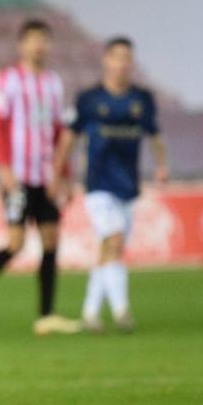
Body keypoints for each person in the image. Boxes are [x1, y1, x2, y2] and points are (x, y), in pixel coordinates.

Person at [52, 36, 169, 332]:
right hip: (98, 185)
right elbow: (69, 138)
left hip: (128, 185)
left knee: (109, 248)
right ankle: (121, 311)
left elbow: (154, 135)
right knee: (114, 241)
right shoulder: (89, 99)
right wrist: (59, 175)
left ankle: (90, 313)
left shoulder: (142, 100)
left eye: (127, 58)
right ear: (106, 60)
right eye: (116, 57)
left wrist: (162, 165)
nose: (122, 63)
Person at [0, 19, 78, 335]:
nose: (39, 45)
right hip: (19, 176)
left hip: (46, 177)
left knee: (51, 241)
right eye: (34, 39)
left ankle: (46, 315)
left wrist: (65, 173)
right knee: (15, 243)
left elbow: (58, 131)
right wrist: (5, 168)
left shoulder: (53, 83)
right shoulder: (6, 80)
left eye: (44, 40)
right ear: (22, 44)